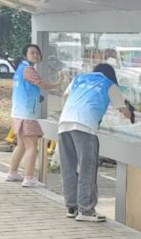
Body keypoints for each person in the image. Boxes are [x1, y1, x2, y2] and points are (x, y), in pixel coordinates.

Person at [57, 62, 134, 222]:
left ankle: (72, 207)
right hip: (85, 125)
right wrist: (131, 110)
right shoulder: (109, 84)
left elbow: (65, 95)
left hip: (64, 123)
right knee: (87, 168)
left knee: (69, 167)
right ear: (111, 74)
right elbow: (125, 112)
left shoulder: (79, 79)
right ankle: (86, 210)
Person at [6, 44, 64, 188]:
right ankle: (29, 178)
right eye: (32, 53)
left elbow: (30, 89)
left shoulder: (20, 69)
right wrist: (59, 82)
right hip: (27, 114)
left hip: (18, 113)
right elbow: (43, 85)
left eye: (37, 53)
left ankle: (13, 173)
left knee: (21, 145)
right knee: (32, 146)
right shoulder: (29, 70)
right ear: (25, 55)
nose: (36, 55)